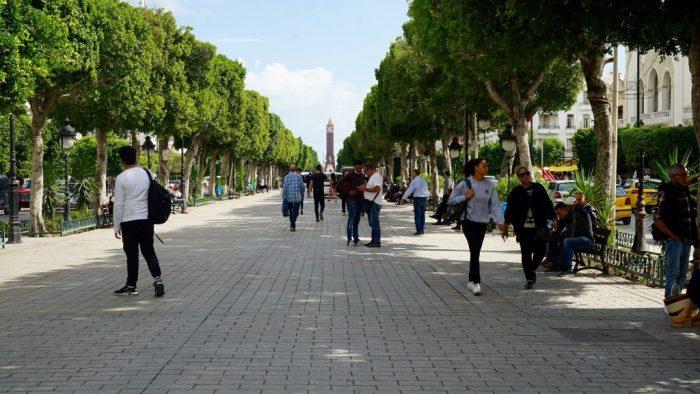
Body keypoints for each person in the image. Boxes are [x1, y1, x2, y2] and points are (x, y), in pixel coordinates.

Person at [112, 146, 164, 297]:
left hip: (129, 221)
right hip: (146, 219)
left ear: (121, 160)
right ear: (136, 157)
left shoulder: (121, 177)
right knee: (149, 251)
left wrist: (116, 227)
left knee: (132, 254)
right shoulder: (147, 173)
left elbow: (119, 204)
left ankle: (131, 285)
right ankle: (157, 278)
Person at [448, 158, 506, 295]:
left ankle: (471, 281)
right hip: (468, 221)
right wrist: (465, 197)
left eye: (487, 166)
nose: (487, 168)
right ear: (476, 167)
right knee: (475, 250)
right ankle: (476, 282)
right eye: (484, 166)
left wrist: (500, 222)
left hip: (482, 223)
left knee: (476, 251)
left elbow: (495, 205)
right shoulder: (465, 183)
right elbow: (451, 199)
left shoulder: (489, 185)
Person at [504, 166, 555, 289]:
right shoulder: (516, 192)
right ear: (518, 178)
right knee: (526, 253)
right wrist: (505, 225)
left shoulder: (539, 188)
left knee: (541, 250)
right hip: (523, 228)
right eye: (522, 175)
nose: (525, 176)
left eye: (527, 173)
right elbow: (509, 209)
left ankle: (531, 269)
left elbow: (548, 203)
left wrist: (554, 218)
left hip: (539, 225)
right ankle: (529, 278)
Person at [654, 164, 697, 298]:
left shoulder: (684, 190)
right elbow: (657, 218)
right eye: (682, 175)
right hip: (674, 240)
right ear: (673, 176)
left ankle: (676, 301)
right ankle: (670, 302)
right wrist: (672, 236)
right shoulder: (666, 191)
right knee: (673, 272)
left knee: (683, 272)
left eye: (686, 174)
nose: (685, 177)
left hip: (686, 238)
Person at [559, 194, 594, 275]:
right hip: (583, 238)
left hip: (587, 240)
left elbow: (574, 229)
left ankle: (567, 267)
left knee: (567, 241)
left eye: (568, 206)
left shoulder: (578, 212)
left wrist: (567, 234)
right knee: (564, 239)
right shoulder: (578, 211)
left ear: (570, 206)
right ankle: (562, 264)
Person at [542, 202, 573, 272]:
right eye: (557, 214)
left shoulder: (572, 216)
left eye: (559, 214)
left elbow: (570, 230)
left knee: (558, 239)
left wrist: (557, 233)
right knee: (553, 237)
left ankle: (555, 262)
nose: (558, 216)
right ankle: (551, 260)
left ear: (564, 210)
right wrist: (554, 231)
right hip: (567, 236)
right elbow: (559, 229)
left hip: (574, 237)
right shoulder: (563, 217)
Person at [340, 161, 365, 245]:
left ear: (362, 167)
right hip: (351, 200)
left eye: (360, 167)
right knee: (351, 219)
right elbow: (340, 184)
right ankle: (349, 239)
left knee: (357, 221)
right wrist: (348, 192)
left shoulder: (363, 175)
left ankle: (356, 239)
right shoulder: (350, 175)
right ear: (354, 167)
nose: (358, 169)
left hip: (360, 200)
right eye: (357, 168)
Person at [359, 163, 383, 247]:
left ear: (371, 169)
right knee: (372, 223)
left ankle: (376, 242)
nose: (365, 172)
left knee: (374, 223)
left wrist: (364, 189)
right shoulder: (373, 177)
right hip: (372, 203)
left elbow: (377, 189)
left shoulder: (376, 176)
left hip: (374, 203)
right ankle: (374, 240)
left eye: (366, 170)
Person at [401, 169, 430, 235]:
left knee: (417, 215)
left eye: (412, 173)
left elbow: (409, 190)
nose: (411, 174)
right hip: (425, 198)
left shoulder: (414, 181)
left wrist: (403, 198)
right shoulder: (423, 180)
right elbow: (426, 189)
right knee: (422, 215)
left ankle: (419, 230)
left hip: (418, 199)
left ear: (415, 173)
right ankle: (422, 229)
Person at [282, 165, 305, 232]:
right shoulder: (299, 176)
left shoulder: (286, 177)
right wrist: (302, 192)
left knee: (291, 212)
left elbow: (285, 187)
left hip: (289, 198)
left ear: (289, 169)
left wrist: (284, 196)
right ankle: (293, 223)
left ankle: (292, 224)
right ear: (295, 169)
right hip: (297, 198)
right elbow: (302, 187)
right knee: (295, 212)